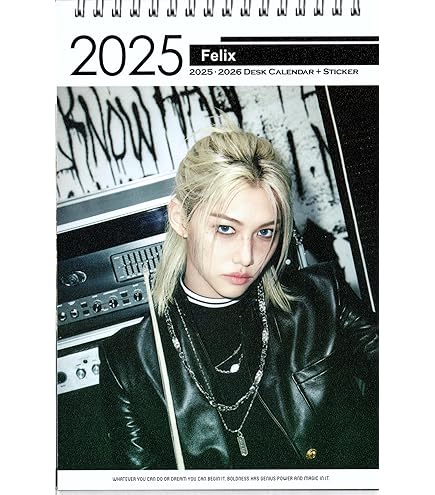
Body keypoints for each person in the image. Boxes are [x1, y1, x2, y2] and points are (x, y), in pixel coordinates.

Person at [100, 125, 378, 470]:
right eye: (226, 229)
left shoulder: (323, 299)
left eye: (265, 232)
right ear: (180, 218)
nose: (247, 256)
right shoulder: (129, 361)